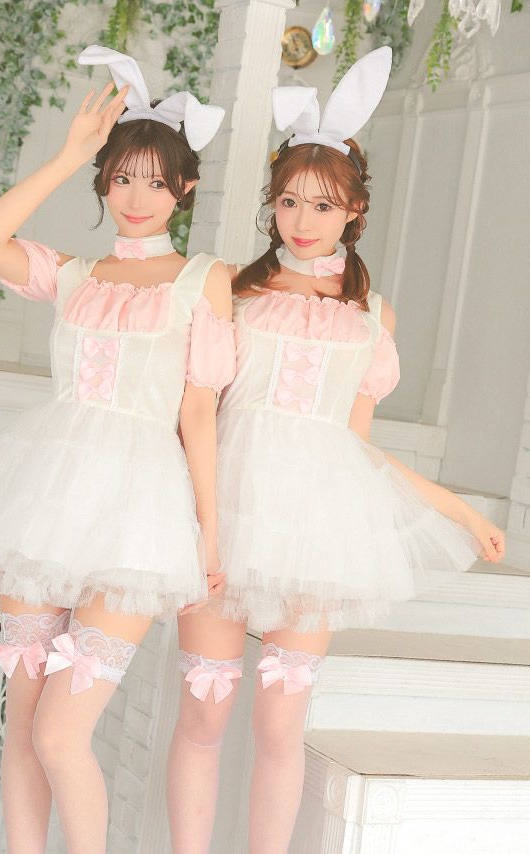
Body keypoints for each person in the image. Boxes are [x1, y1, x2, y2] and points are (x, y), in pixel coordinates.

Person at [166, 47, 505, 854]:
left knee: (281, 725)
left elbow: (355, 449)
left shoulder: (372, 316)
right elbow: (196, 412)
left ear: (354, 209)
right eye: (289, 200)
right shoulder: (234, 290)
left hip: (314, 529)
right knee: (205, 713)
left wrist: (459, 511)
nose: (302, 218)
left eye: (322, 203)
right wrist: (197, 524)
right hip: (219, 514)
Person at [0, 47, 235, 854]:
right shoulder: (73, 274)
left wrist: (208, 532)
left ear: (185, 188)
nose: (136, 197)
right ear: (103, 182)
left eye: (156, 182)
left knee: (62, 735)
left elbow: (199, 411)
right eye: (121, 177)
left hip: (140, 511)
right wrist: (68, 154)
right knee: (22, 729)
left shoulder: (203, 280)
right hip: (46, 496)